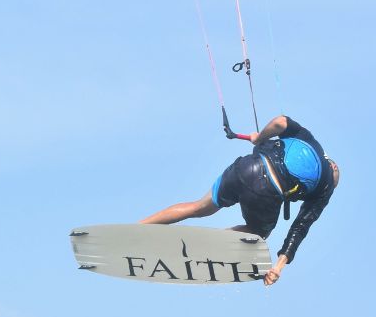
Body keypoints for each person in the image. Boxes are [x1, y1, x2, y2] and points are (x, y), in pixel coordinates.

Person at [139, 115, 339, 287]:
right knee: (259, 234)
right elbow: (300, 228)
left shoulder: (309, 139)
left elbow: (280, 122)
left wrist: (259, 138)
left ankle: (138, 227)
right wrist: (278, 267)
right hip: (267, 191)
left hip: (246, 167)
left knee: (199, 207)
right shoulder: (325, 187)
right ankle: (203, 245)